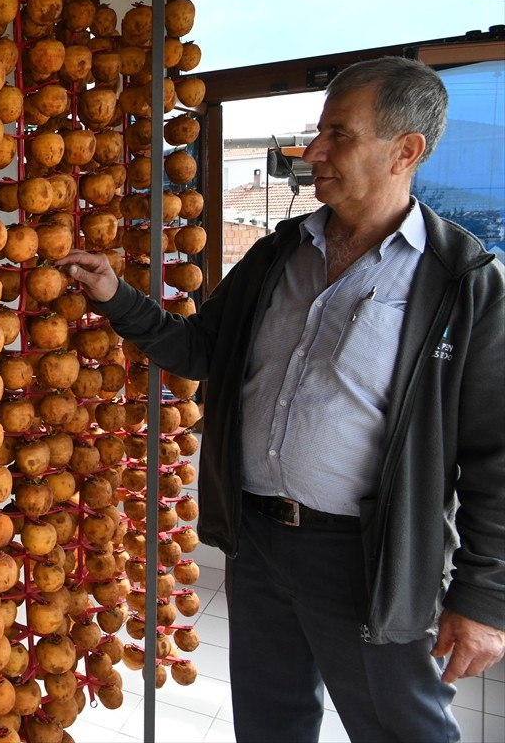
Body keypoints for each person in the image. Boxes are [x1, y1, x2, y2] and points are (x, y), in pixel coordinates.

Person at [57, 55, 505, 742]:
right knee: (270, 721)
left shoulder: (461, 280)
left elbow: (495, 453)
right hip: (260, 542)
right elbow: (201, 349)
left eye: (339, 135)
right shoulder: (279, 253)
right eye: (317, 133)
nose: (314, 152)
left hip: (368, 558)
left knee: (402, 729)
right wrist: (117, 298)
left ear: (405, 151)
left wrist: (483, 597)